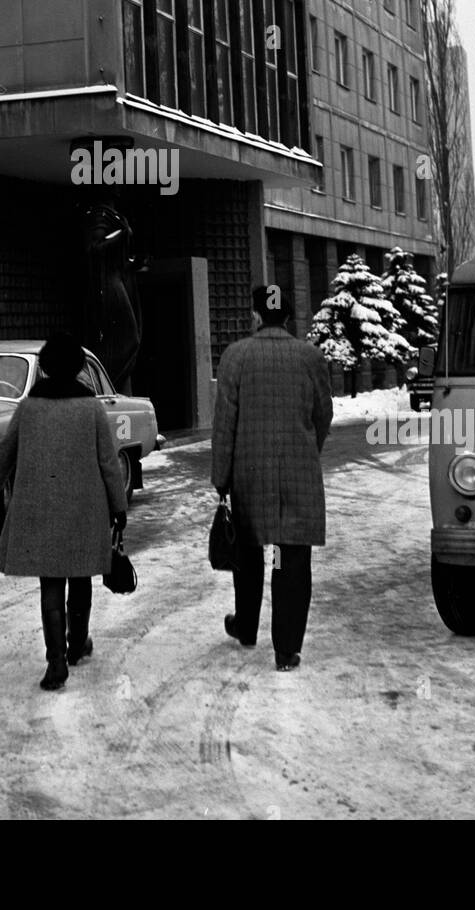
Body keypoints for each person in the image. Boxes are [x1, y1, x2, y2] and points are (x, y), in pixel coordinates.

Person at [0, 332, 129, 691]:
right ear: (79, 367)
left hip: (39, 508)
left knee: (50, 582)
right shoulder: (91, 407)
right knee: (80, 576)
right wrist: (119, 505)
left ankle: (56, 663)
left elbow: (6, 449)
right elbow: (109, 462)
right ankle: (77, 643)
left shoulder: (29, 406)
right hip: (85, 508)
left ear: (46, 367)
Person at [211, 285, 333, 671]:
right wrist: (307, 450)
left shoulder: (236, 357)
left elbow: (224, 425)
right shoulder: (309, 357)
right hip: (298, 473)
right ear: (289, 317)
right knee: (289, 558)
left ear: (256, 316)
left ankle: (246, 627)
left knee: (249, 552)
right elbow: (323, 414)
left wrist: (221, 478)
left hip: (249, 475)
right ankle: (286, 649)